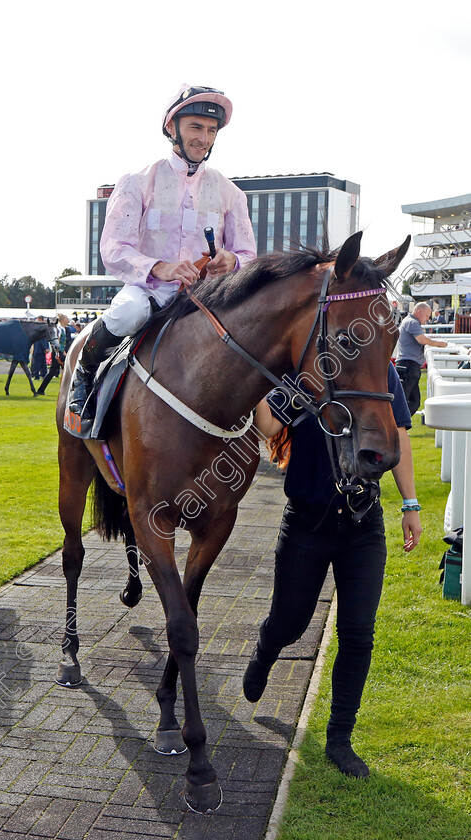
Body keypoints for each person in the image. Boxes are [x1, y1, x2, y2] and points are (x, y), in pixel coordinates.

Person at [242, 364, 421, 778]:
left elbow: (399, 437)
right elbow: (269, 427)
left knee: (358, 631)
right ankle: (266, 649)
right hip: (306, 524)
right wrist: (256, 384)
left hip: (363, 524)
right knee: (290, 623)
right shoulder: (305, 373)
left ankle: (340, 738)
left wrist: (410, 504)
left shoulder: (383, 371)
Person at [67, 83, 257, 422]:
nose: (204, 138)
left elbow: (249, 256)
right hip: (148, 292)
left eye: (211, 130)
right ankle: (84, 373)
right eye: (196, 127)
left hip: (207, 298)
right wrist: (160, 268)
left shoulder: (231, 193)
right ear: (172, 129)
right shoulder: (137, 182)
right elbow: (113, 248)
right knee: (127, 315)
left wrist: (234, 261)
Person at [395, 302, 451, 416]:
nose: (427, 319)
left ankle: (399, 428)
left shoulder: (409, 321)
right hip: (408, 366)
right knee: (405, 401)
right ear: (419, 312)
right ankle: (397, 428)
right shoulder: (412, 322)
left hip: (408, 365)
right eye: (427, 316)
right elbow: (421, 339)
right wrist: (439, 344)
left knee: (413, 401)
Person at [35, 314, 72, 396]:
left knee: (55, 371)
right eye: (66, 319)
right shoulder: (58, 329)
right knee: (61, 371)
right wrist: (59, 353)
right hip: (58, 353)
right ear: (62, 320)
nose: (67, 320)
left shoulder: (63, 329)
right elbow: (57, 342)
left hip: (61, 352)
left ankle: (41, 390)